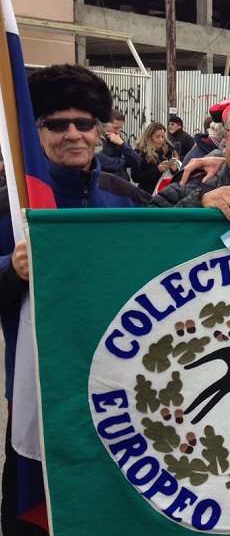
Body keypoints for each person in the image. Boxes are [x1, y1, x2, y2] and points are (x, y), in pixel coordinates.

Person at [0, 63, 151, 536]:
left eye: (83, 123)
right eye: (56, 123)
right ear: (35, 129)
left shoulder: (126, 199)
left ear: (100, 130)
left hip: (123, 398)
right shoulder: (9, 204)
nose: (72, 134)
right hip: (41, 402)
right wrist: (12, 270)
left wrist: (210, 200)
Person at [133, 122, 180, 194]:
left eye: (163, 137)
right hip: (147, 194)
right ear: (149, 136)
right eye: (157, 137)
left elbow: (173, 175)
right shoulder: (140, 152)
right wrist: (158, 170)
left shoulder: (168, 150)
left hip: (165, 192)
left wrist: (174, 170)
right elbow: (136, 177)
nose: (161, 140)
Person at [96, 109, 141, 182]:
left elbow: (136, 162)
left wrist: (122, 144)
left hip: (123, 186)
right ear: (104, 125)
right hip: (105, 186)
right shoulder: (96, 142)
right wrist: (123, 159)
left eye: (120, 128)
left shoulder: (118, 141)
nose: (118, 132)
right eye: (115, 128)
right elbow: (107, 164)